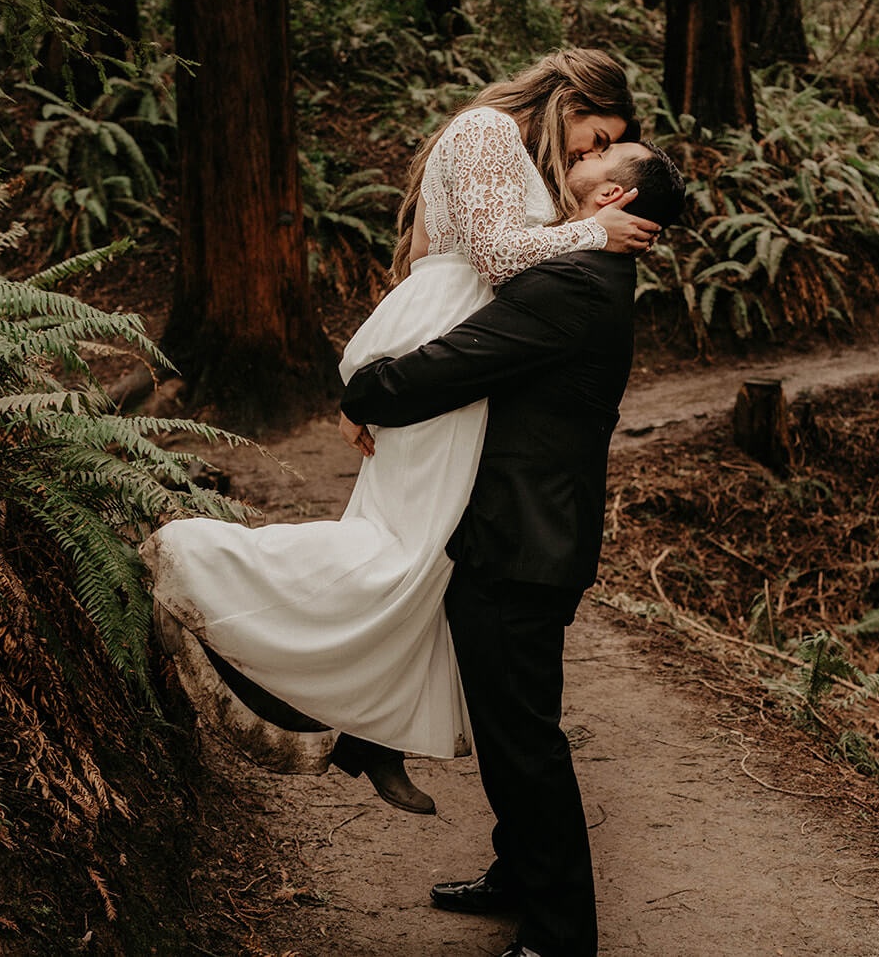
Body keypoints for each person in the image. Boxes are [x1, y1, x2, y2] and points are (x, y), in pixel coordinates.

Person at [141, 49, 660, 814]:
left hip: (459, 348)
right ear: (567, 98)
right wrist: (593, 235)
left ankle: (369, 728)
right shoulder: (486, 130)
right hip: (444, 346)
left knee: (426, 556)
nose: (586, 154)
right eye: (593, 135)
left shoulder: (523, 157)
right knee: (401, 550)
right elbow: (490, 254)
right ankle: (199, 559)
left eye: (599, 149)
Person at [340, 140, 686, 957]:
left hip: (522, 543)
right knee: (511, 728)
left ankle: (561, 935)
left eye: (603, 152)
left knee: (524, 740)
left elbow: (454, 366)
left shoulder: (572, 283)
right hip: (526, 533)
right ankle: (517, 873)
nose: (582, 152)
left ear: (609, 196)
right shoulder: (588, 266)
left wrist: (362, 390)